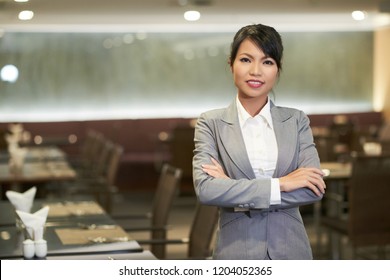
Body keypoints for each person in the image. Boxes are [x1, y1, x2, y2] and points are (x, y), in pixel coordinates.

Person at [192, 23, 326, 260]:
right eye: (246, 60)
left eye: (267, 62)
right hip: (235, 252)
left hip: (291, 251)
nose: (256, 71)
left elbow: (312, 190)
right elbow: (207, 189)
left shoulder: (296, 121)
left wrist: (233, 190)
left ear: (277, 69)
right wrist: (281, 184)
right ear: (231, 64)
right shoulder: (210, 123)